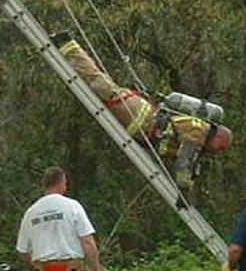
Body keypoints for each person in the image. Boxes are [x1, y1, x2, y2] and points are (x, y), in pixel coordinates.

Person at [51, 33, 233, 197]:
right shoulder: (198, 131)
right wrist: (184, 189)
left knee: (99, 85)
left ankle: (68, 48)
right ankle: (68, 45)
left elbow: (183, 159)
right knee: (99, 84)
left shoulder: (199, 137)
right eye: (222, 146)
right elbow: (185, 160)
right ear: (218, 135)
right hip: (139, 115)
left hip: (140, 122)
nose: (219, 151)